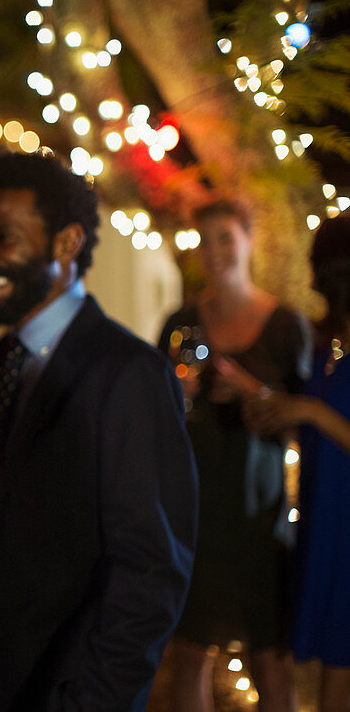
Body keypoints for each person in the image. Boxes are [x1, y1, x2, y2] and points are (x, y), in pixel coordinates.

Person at [0, 151, 198, 711]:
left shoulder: (129, 373)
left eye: (4, 237)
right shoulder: (1, 360)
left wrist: (91, 701)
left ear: (67, 244)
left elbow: (151, 570)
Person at [157, 200, 308, 712]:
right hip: (195, 511)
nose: (216, 251)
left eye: (226, 237)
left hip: (261, 517)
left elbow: (305, 422)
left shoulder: (286, 327)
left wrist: (250, 391)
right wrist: (175, 396)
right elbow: (157, 421)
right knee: (189, 656)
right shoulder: (180, 323)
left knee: (270, 660)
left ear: (248, 240)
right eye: (206, 239)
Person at [245, 211, 350, 712]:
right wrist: (272, 405)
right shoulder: (327, 340)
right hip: (324, 514)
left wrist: (309, 410)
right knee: (333, 666)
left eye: (318, 265)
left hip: (348, 523)